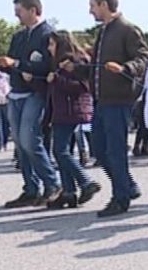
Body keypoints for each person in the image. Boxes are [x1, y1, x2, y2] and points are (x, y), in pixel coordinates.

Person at [62, 0, 148, 217]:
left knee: (115, 151)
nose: (90, 10)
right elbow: (97, 68)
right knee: (100, 150)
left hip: (118, 101)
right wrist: (77, 69)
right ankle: (128, 186)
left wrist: (125, 68)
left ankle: (120, 198)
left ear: (103, 4)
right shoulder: (103, 32)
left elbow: (143, 57)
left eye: (92, 5)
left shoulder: (127, 29)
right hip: (101, 100)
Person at [0, 0, 62, 208]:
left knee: (30, 139)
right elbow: (11, 65)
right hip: (15, 92)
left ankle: (52, 184)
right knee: (19, 143)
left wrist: (18, 63)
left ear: (33, 10)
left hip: (35, 93)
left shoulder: (48, 34)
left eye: (19, 11)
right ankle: (30, 188)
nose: (16, 16)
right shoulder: (18, 37)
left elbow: (47, 66)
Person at [46, 30, 101, 208]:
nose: (49, 48)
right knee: (64, 152)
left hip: (70, 110)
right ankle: (69, 192)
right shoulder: (60, 63)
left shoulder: (74, 61)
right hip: (63, 110)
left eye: (52, 44)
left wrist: (57, 79)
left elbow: (82, 87)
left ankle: (85, 181)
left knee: (60, 151)